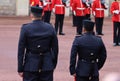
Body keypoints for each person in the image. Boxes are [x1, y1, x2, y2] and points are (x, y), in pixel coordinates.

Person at [17, 6, 59, 81]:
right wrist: (52, 64)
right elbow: (55, 48)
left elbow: (21, 49)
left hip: (30, 64)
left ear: (31, 15)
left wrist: (20, 68)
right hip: (47, 63)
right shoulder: (50, 27)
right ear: (42, 14)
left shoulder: (26, 28)